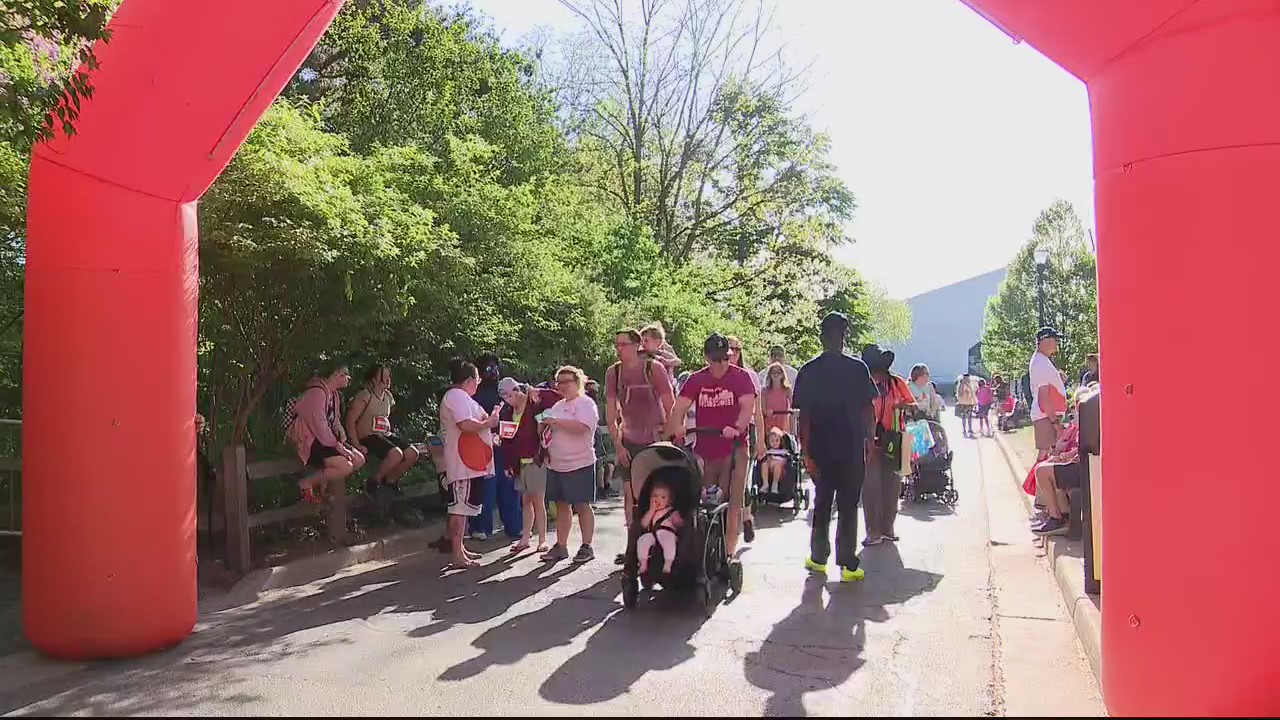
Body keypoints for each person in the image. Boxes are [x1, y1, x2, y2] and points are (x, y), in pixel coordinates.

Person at [793, 313, 876, 582]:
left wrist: (806, 452)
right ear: (844, 337)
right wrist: (870, 443)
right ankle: (848, 563)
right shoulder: (858, 369)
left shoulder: (809, 370)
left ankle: (819, 557)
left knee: (822, 504)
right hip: (851, 448)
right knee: (849, 506)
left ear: (822, 337)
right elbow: (869, 411)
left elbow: (802, 417)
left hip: (822, 448)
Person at [665, 333, 758, 559]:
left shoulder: (741, 377)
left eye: (725, 359)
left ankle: (728, 554)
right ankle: (702, 550)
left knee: (732, 501)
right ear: (707, 358)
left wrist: (736, 427)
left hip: (735, 447)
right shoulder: (697, 380)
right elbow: (679, 408)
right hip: (705, 449)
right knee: (705, 501)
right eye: (716, 360)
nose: (721, 364)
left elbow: (748, 408)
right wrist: (675, 429)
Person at [604, 328, 676, 564]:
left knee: (658, 493)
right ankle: (632, 546)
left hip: (655, 439)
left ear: (636, 346)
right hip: (630, 440)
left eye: (623, 344)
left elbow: (670, 402)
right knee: (630, 496)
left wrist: (670, 433)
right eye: (617, 345)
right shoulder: (613, 372)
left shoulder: (653, 368)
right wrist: (618, 444)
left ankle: (660, 544)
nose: (619, 349)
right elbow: (611, 411)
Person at [286, 362, 366, 544]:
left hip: (326, 439)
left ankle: (321, 483)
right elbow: (320, 428)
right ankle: (307, 483)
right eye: (345, 374)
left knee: (359, 459)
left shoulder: (334, 396)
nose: (348, 378)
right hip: (309, 439)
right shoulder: (316, 394)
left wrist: (342, 436)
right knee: (345, 465)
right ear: (336, 374)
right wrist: (341, 448)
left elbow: (334, 421)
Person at [439, 358, 501, 567]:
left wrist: (490, 426)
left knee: (465, 507)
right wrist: (488, 423)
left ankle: (461, 549)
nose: (479, 382)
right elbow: (465, 424)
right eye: (476, 378)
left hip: (471, 462)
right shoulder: (456, 396)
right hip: (461, 462)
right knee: (458, 507)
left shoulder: (465, 398)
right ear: (467, 379)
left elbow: (479, 422)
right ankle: (457, 553)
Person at [541, 366, 600, 564]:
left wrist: (556, 422)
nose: (563, 386)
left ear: (578, 382)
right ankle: (561, 545)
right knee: (561, 505)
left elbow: (583, 428)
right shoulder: (557, 406)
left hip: (580, 462)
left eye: (567, 381)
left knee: (582, 504)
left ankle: (587, 545)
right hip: (556, 464)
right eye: (560, 382)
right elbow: (546, 427)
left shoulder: (586, 404)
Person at [497, 377, 561, 554]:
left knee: (538, 500)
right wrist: (508, 464)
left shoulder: (534, 400)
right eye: (505, 398)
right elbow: (507, 440)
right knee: (525, 500)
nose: (508, 401)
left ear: (517, 391)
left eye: (510, 396)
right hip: (520, 462)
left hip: (536, 458)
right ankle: (525, 538)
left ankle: (542, 539)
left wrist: (543, 416)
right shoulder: (509, 412)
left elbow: (556, 398)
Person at [862, 344, 916, 547]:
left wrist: (901, 406)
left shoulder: (896, 383)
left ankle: (888, 527)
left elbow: (912, 405)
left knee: (892, 487)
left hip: (894, 440)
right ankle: (873, 530)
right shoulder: (861, 384)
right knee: (871, 486)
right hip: (869, 440)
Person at [345, 364, 419, 499]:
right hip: (367, 436)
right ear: (374, 379)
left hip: (384, 435)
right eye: (383, 377)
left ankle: (390, 481)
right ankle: (373, 482)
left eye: (389, 376)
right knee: (396, 454)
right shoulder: (364, 396)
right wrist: (356, 444)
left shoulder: (388, 396)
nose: (388, 380)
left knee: (412, 453)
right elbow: (350, 421)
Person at [468, 353, 522, 542]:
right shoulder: (474, 395)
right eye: (488, 368)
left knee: (509, 486)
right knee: (486, 488)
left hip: (505, 445)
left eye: (495, 367)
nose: (493, 371)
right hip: (483, 445)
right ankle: (480, 527)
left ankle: (515, 526)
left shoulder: (504, 390)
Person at [1030, 420, 1080, 537]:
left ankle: (1056, 517)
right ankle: (1061, 515)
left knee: (1042, 471)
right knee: (1044, 468)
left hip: (1084, 467)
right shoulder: (1079, 424)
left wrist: (1065, 456)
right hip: (1081, 463)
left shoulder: (1090, 421)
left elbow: (1082, 448)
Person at [1029, 327, 1069, 462]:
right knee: (1045, 457)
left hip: (1047, 417)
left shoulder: (1042, 361)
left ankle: (1034, 483)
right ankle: (1033, 484)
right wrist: (1056, 424)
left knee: (1047, 456)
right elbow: (1043, 398)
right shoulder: (1040, 363)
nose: (1057, 342)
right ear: (1044, 340)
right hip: (1046, 417)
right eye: (1055, 339)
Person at [635, 477, 682, 575]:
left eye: (663, 497)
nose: (658, 500)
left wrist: (677, 520)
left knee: (669, 542)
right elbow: (644, 524)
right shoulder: (652, 511)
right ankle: (643, 564)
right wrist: (652, 510)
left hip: (668, 533)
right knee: (642, 540)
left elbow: (679, 523)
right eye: (655, 496)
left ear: (670, 501)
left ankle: (668, 564)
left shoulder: (672, 511)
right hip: (654, 535)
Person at [760, 361, 794, 436]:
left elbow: (793, 405)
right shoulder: (764, 391)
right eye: (773, 372)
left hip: (783, 422)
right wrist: (766, 412)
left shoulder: (787, 390)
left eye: (779, 372)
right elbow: (761, 408)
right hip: (769, 423)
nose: (776, 374)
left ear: (782, 375)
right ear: (770, 375)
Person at [760, 426, 790, 495]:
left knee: (777, 464)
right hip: (770, 469)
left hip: (781, 470)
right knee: (764, 464)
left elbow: (787, 459)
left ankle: (775, 484)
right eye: (772, 441)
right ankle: (765, 484)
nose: (775, 443)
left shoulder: (783, 451)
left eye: (777, 440)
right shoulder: (769, 451)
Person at [955, 372, 978, 437]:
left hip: (969, 403)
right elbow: (959, 394)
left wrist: (975, 402)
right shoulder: (961, 385)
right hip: (963, 403)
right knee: (964, 417)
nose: (967, 379)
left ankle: (970, 429)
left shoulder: (971, 384)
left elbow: (973, 394)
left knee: (969, 417)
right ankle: (964, 430)